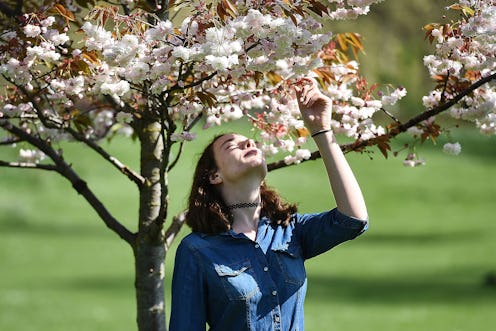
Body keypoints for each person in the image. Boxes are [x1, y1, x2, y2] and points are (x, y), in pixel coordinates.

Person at [169, 78, 369, 331]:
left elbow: (353, 220)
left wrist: (321, 131)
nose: (249, 143)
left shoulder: (290, 231)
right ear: (214, 176)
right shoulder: (197, 250)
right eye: (232, 145)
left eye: (250, 141)